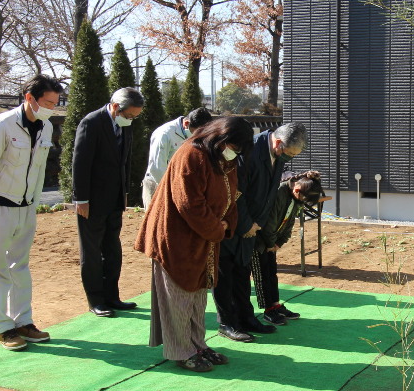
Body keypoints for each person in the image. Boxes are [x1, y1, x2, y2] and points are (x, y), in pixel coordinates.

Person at [134, 116, 254, 372]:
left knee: (198, 295)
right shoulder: (191, 155)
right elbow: (189, 204)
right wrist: (216, 229)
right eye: (235, 147)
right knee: (178, 295)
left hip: (204, 237)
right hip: (176, 238)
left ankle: (198, 344)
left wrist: (225, 226)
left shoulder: (223, 160)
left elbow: (233, 196)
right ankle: (181, 351)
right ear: (221, 138)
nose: (236, 153)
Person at [0, 75, 63, 351]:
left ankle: (23, 321)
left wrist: (33, 205)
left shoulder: (45, 126)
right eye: (47, 102)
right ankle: (2, 327)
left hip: (26, 209)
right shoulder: (0, 126)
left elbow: (37, 170)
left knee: (20, 268)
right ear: (29, 98)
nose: (51, 108)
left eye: (55, 103)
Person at [215, 122, 308, 342]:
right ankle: (227, 323)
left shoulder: (276, 152)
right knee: (225, 275)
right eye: (288, 153)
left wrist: (259, 226)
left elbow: (269, 194)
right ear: (277, 143)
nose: (289, 159)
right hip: (233, 224)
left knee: (242, 274)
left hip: (254, 227)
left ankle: (247, 318)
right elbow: (237, 192)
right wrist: (246, 224)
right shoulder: (249, 150)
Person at [72, 87, 145, 318]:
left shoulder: (125, 126)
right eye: (129, 115)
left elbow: (125, 161)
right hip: (92, 200)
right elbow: (80, 163)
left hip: (114, 198)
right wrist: (81, 198)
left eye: (135, 117)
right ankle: (95, 299)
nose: (131, 120)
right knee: (92, 250)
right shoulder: (91, 123)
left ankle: (112, 296)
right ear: (115, 107)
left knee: (112, 248)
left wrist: (124, 192)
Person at [251, 170, 324, 320]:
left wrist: (279, 242)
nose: (303, 203)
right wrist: (271, 243)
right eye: (303, 199)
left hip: (271, 242)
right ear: (297, 190)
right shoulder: (279, 192)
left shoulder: (296, 197)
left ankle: (275, 304)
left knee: (272, 273)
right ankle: (268, 309)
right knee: (262, 275)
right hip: (258, 242)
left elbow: (290, 222)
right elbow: (269, 222)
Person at [141, 107, 213, 208]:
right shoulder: (164, 134)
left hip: (178, 185)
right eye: (195, 132)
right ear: (186, 123)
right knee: (156, 221)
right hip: (158, 183)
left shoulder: (198, 134)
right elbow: (157, 168)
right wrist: (170, 191)